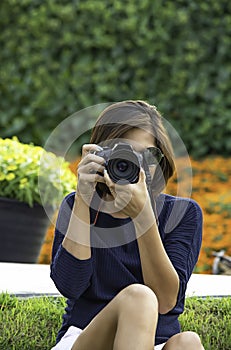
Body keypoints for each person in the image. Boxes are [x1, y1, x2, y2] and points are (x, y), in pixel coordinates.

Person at [50, 100, 205, 350]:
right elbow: (70, 285)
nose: (135, 164)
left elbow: (165, 301)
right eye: (124, 153)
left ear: (160, 160)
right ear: (100, 155)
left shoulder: (183, 213)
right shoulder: (79, 206)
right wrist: (83, 198)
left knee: (188, 342)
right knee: (139, 297)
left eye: (147, 155)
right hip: (87, 338)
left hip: (154, 342)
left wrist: (142, 216)